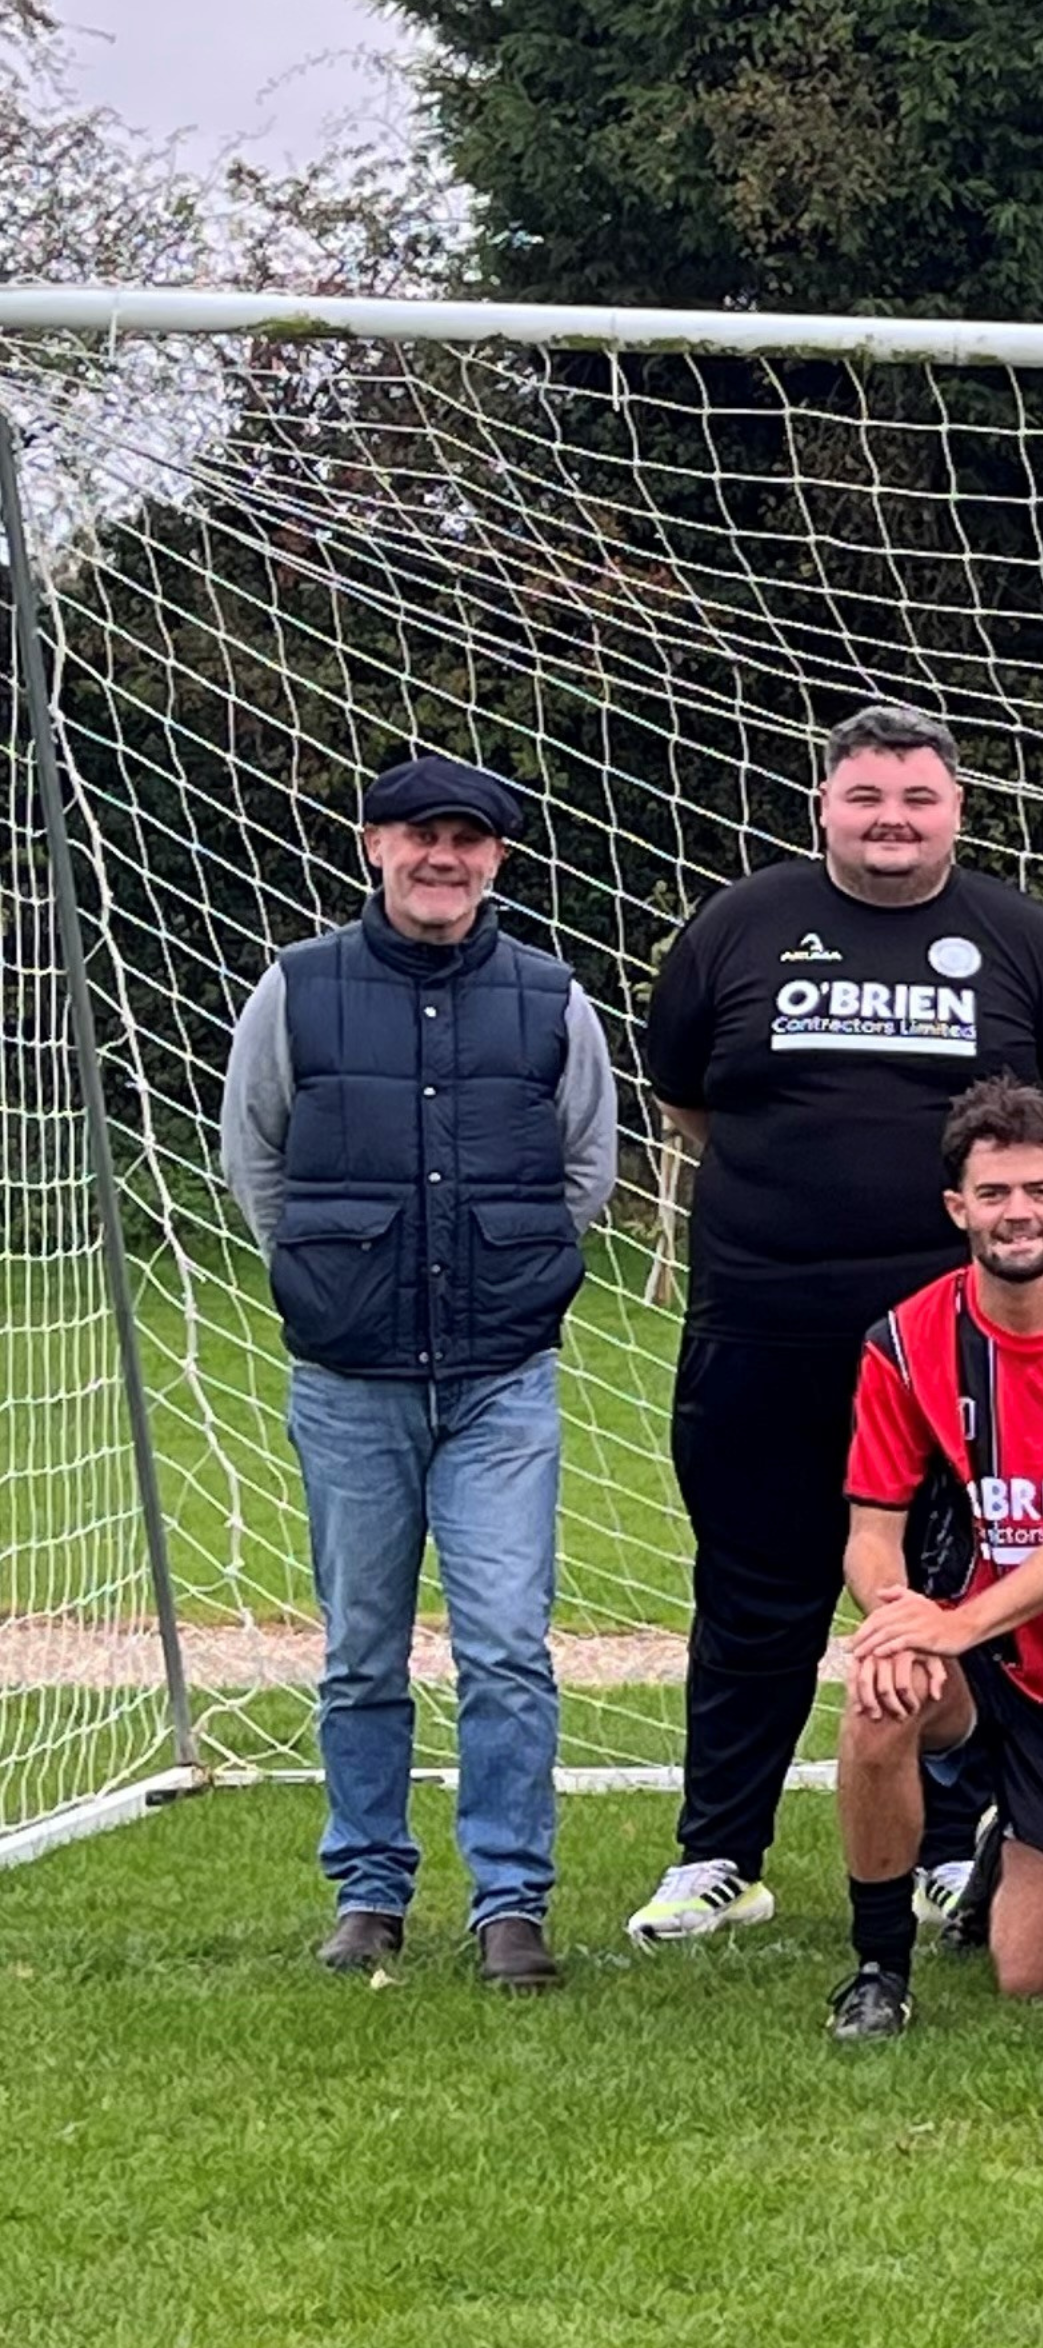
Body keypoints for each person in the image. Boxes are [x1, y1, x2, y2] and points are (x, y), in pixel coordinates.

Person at [632, 705, 1043, 1943]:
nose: (891, 819)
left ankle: (953, 1845)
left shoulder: (1019, 938)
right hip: (762, 1330)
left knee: (956, 1596)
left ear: (957, 808)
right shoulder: (739, 924)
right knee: (756, 1594)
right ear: (824, 806)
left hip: (956, 1361)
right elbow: (687, 1092)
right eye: (866, 797)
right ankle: (720, 1855)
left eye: (916, 797)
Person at [218, 751, 617, 1992]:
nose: (440, 856)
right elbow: (258, 1166)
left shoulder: (552, 997)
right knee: (361, 1647)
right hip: (351, 1377)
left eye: (467, 838)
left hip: (502, 1376)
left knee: (505, 1643)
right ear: (371, 846)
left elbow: (584, 1171)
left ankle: (511, 1899)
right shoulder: (297, 988)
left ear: (497, 858)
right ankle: (369, 1889)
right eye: (416, 834)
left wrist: (516, 1279)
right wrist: (334, 1279)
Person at [824, 1081, 1043, 2039]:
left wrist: (956, 1619)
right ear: (958, 1208)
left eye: (1036, 1188)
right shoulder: (902, 1340)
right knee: (879, 1692)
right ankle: (877, 1968)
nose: (1016, 1211)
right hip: (956, 1658)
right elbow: (871, 1530)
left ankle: (998, 1848)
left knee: (1034, 1980)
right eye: (993, 1193)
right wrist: (897, 1618)